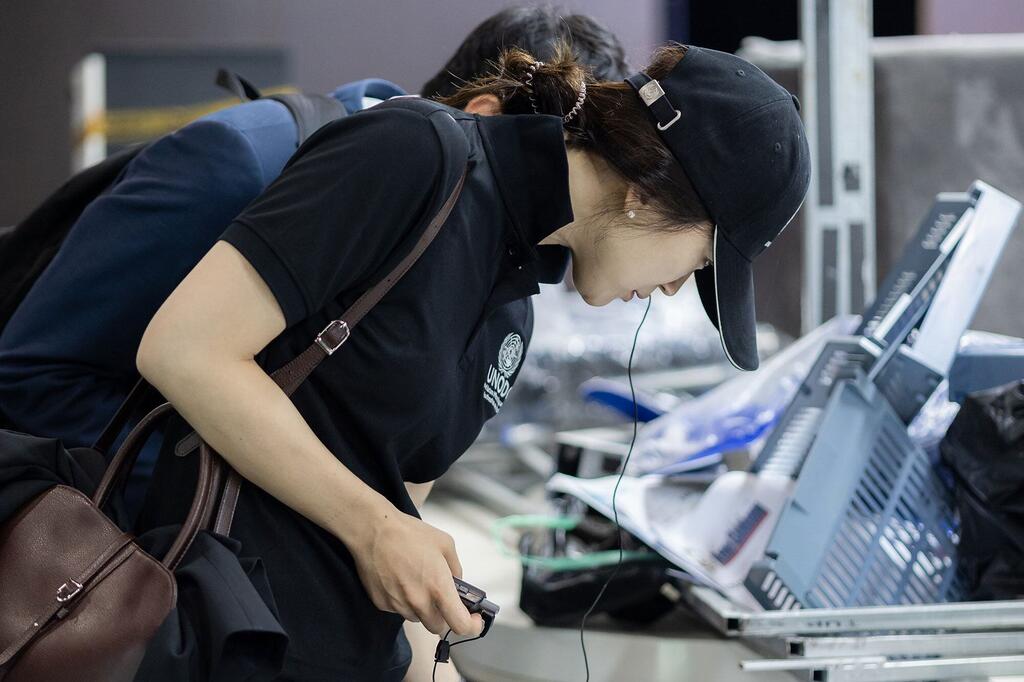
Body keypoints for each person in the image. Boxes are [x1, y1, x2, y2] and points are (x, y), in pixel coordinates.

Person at [133, 37, 810, 680]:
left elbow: (399, 520)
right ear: (645, 192)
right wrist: (371, 528)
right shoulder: (415, 154)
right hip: (222, 645)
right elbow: (186, 348)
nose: (671, 288)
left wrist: (434, 629)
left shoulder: (514, 311)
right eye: (697, 261)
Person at [0, 7, 629, 517]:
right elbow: (33, 377)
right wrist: (271, 508)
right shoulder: (247, 163)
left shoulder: (478, 268)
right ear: (484, 117)